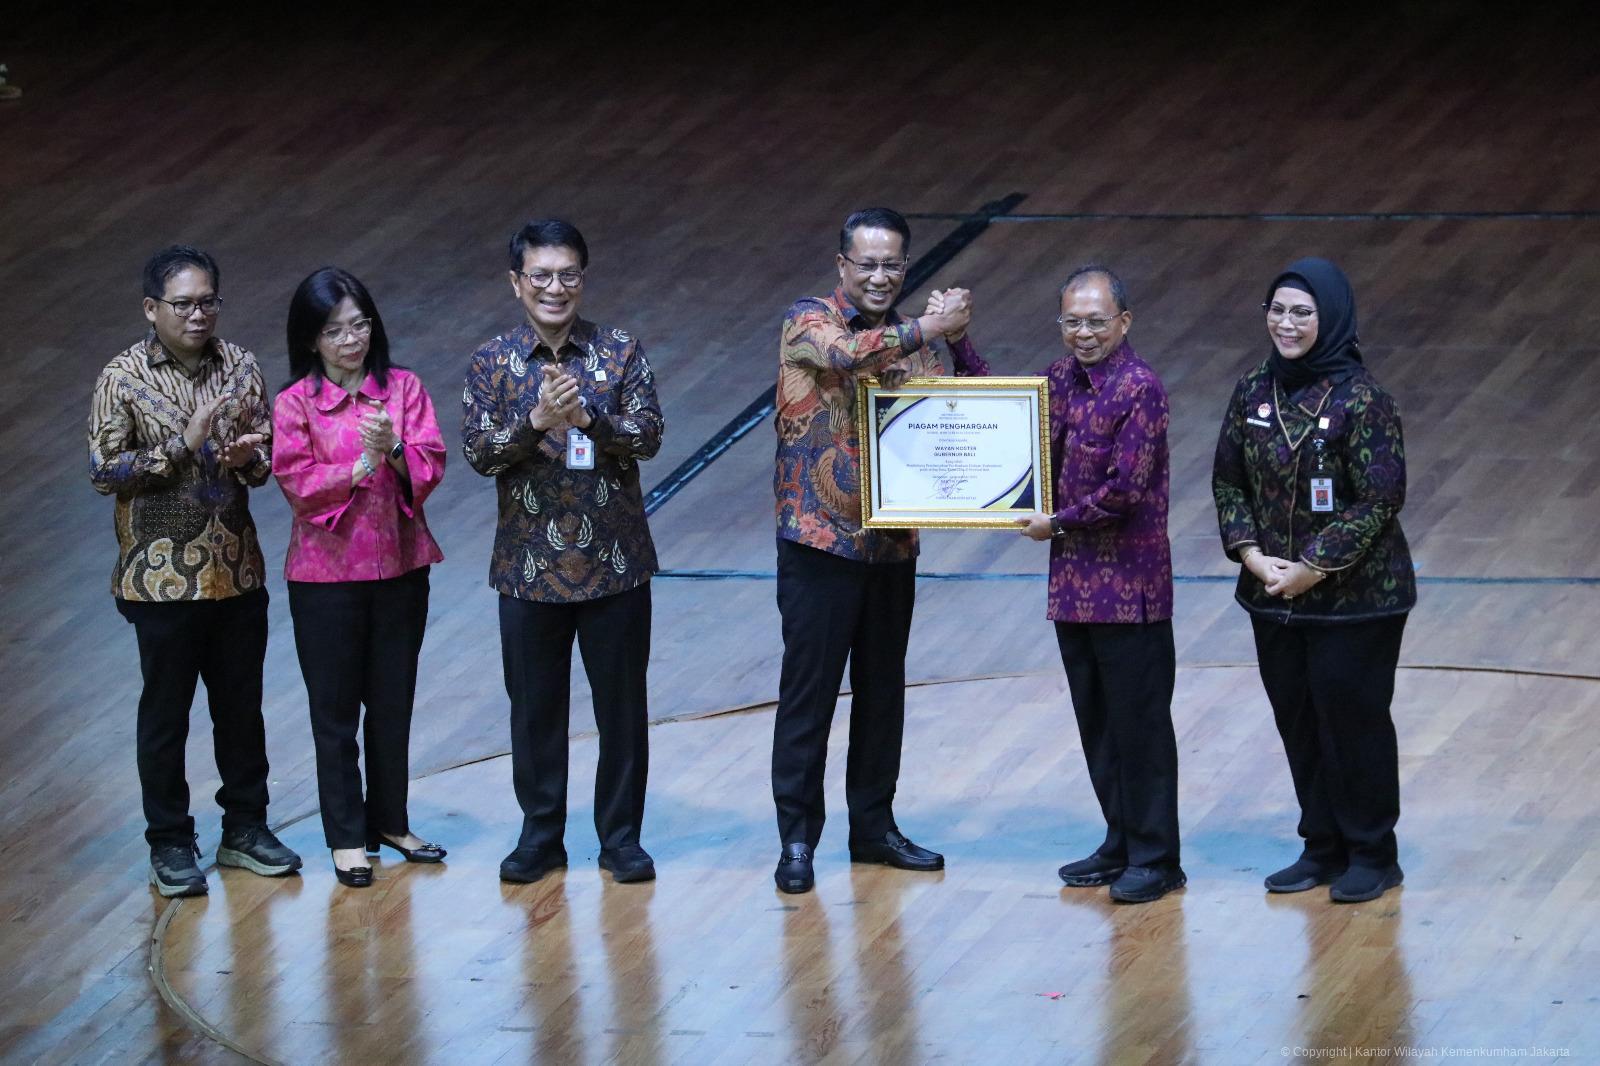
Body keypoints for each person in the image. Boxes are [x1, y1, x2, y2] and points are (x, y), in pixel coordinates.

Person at [770, 206, 986, 894]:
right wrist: (930, 326)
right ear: (843, 266)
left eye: (893, 264)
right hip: (819, 546)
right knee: (809, 697)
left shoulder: (917, 343)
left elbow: (967, 413)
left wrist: (959, 340)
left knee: (883, 694)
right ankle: (797, 838)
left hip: (892, 546)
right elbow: (845, 356)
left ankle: (873, 827)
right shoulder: (808, 320)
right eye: (867, 264)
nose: (880, 276)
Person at [89, 245, 302, 897]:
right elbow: (104, 470)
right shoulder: (121, 377)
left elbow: (265, 461)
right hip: (160, 582)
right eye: (183, 304)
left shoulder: (240, 365)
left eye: (208, 302)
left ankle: (246, 828)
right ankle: (170, 840)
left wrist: (247, 458)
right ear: (151, 309)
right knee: (167, 716)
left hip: (235, 571)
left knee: (241, 710)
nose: (198, 315)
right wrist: (180, 448)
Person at [463, 219, 664, 886]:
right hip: (528, 570)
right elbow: (479, 453)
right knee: (534, 714)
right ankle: (540, 835)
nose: (555, 288)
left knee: (622, 711)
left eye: (568, 275)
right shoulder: (492, 362)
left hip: (615, 565)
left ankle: (621, 839)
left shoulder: (620, 352)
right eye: (541, 276)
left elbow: (648, 436)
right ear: (516, 282)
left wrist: (587, 421)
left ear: (583, 278)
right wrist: (537, 423)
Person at [1212, 256, 1415, 904]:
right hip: (1274, 596)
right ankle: (1322, 846)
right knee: (1299, 722)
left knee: (1352, 724)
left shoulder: (1363, 398)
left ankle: (1372, 853)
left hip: (1358, 602)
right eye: (1277, 310)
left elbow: (1380, 498)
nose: (1287, 323)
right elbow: (1228, 482)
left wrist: (1313, 567)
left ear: (1330, 318)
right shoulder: (1252, 390)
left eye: (1302, 312)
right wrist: (1250, 554)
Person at [273, 268, 448, 888]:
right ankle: (347, 837)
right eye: (334, 331)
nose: (350, 340)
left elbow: (431, 464)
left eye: (359, 325)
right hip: (325, 581)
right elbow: (297, 483)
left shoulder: (403, 389)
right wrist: (361, 463)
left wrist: (394, 449)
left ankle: (392, 822)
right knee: (336, 712)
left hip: (400, 570)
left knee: (393, 702)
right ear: (310, 339)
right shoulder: (295, 404)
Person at [1017, 265, 1184, 904]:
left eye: (1095, 321)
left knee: (1140, 728)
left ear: (1124, 321)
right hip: (1073, 588)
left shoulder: (1141, 388)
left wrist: (1056, 522)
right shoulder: (1059, 378)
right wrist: (958, 344)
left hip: (1130, 590)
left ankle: (1156, 857)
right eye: (1072, 322)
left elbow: (1125, 490)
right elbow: (1002, 415)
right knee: (1098, 723)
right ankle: (1121, 839)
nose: (1082, 333)